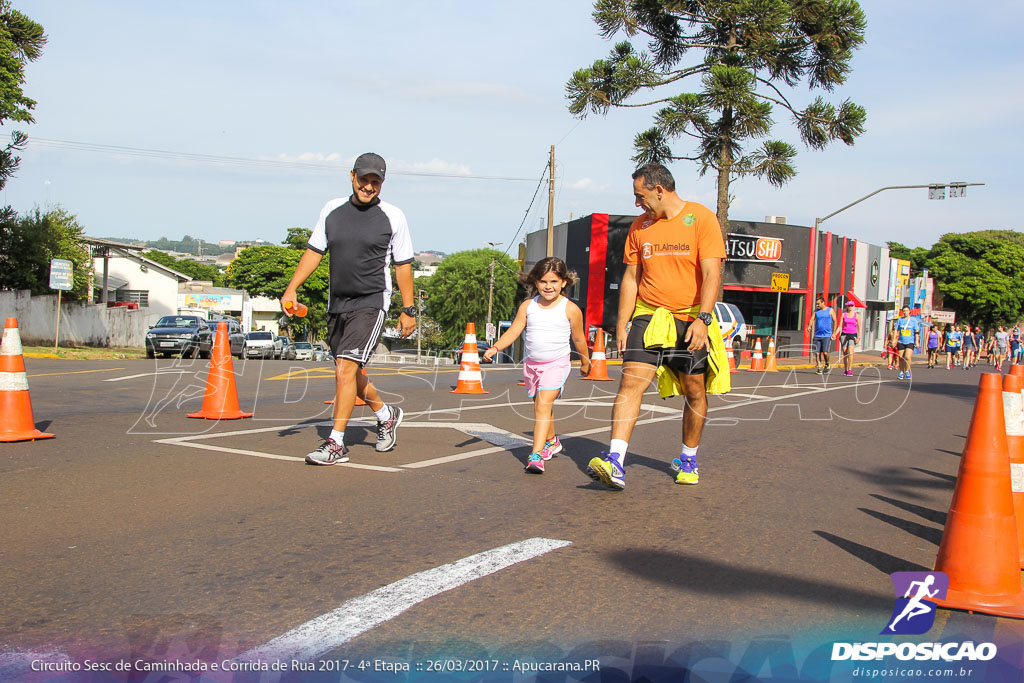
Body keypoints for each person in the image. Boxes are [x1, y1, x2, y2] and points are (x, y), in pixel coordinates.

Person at [587, 162, 726, 490]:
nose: (638, 203)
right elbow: (632, 278)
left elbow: (712, 274)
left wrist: (703, 320)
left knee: (694, 389)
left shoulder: (701, 219)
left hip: (690, 318)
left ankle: (689, 459)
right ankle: (616, 461)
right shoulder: (640, 227)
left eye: (641, 196)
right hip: (649, 316)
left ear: (659, 190)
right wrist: (622, 323)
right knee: (631, 382)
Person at [282, 152, 416, 465]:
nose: (368, 186)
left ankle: (336, 443)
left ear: (382, 183)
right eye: (363, 179)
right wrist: (292, 287)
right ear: (352, 176)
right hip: (337, 303)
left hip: (372, 301)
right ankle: (386, 415)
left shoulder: (393, 216)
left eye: (375, 181)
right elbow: (314, 252)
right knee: (350, 372)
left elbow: (403, 266)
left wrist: (408, 309)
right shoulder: (332, 209)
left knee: (345, 368)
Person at [483, 257, 591, 473]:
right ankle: (552, 441)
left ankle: (536, 455)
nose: (548, 287)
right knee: (541, 406)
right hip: (532, 365)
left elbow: (579, 339)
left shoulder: (570, 309)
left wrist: (586, 362)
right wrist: (495, 348)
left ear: (563, 283)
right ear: (535, 283)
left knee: (542, 404)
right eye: (543, 282)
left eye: (553, 281)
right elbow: (514, 331)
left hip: (557, 364)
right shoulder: (528, 306)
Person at [806, 297, 837, 374]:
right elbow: (811, 319)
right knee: (817, 353)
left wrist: (834, 333)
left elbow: (835, 321)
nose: (817, 305)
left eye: (818, 304)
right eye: (816, 304)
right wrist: (809, 326)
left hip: (826, 335)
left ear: (823, 302)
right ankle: (819, 367)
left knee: (825, 352)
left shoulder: (830, 310)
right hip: (817, 335)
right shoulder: (816, 311)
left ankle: (827, 364)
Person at [889, 306, 920, 380]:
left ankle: (907, 370)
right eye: (904, 311)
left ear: (909, 311)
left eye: (906, 311)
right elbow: (896, 330)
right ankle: (901, 372)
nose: (905, 312)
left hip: (910, 341)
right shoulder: (900, 320)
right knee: (901, 357)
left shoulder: (913, 320)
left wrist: (916, 341)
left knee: (907, 357)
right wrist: (894, 340)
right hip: (901, 341)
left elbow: (916, 331)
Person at [838, 301, 859, 376]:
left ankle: (850, 369)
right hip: (844, 334)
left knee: (850, 352)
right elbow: (840, 326)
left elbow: (859, 327)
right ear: (847, 306)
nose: (850, 307)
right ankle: (846, 369)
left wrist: (859, 337)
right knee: (845, 352)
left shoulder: (857, 315)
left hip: (853, 335)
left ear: (854, 306)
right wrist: (835, 333)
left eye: (851, 305)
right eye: (849, 305)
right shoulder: (844, 315)